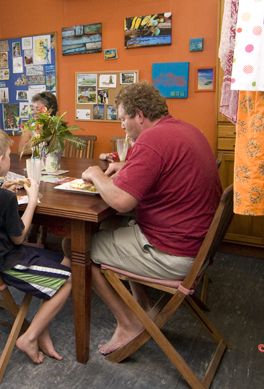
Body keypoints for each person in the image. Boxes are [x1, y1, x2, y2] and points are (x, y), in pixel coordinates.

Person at [80, 82, 222, 355]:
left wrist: (97, 175)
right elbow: (164, 166)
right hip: (198, 246)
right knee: (125, 228)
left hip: (174, 253)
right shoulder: (184, 129)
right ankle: (141, 306)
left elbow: (122, 202)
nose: (122, 125)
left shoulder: (152, 139)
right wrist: (126, 166)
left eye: (123, 118)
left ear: (139, 114)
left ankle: (128, 323)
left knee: (77, 248)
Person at [0, 126, 72, 364]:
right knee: (68, 279)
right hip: (8, 263)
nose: (10, 158)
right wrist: (32, 201)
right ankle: (29, 337)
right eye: (8, 154)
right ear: (0, 160)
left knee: (62, 260)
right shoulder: (5, 199)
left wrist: (3, 190)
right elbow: (19, 237)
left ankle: (42, 331)